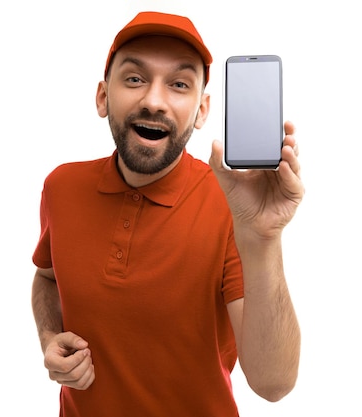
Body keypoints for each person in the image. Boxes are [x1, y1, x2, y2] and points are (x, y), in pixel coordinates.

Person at [30, 11, 304, 416]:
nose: (154, 101)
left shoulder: (231, 206)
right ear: (103, 97)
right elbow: (47, 276)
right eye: (135, 79)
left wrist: (263, 236)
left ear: (201, 111)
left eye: (179, 85)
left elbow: (273, 383)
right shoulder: (61, 187)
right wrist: (50, 336)